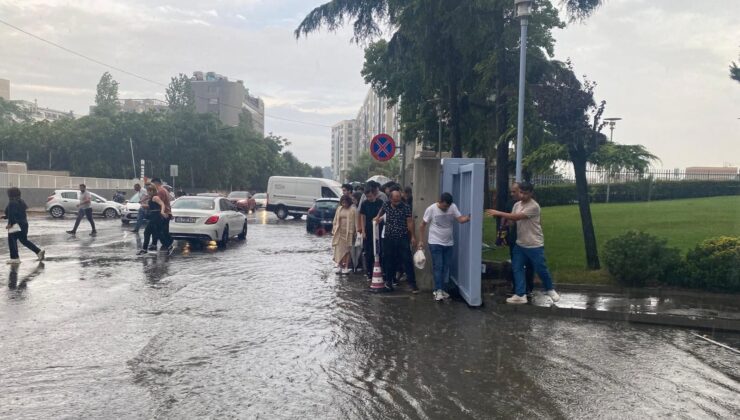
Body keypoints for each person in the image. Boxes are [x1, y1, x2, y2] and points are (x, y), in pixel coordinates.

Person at [486, 182, 560, 304]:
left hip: (534, 244)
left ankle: (550, 289)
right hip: (520, 244)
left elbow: (517, 217)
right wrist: (505, 226)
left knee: (541, 268)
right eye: (521, 192)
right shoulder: (516, 205)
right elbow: (513, 220)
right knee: (517, 267)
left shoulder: (534, 206)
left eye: (526, 193)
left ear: (531, 193)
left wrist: (499, 213)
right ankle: (520, 294)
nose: (523, 195)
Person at [418, 193, 471, 301]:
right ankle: (438, 290)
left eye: (448, 207)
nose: (446, 209)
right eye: (444, 206)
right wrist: (421, 240)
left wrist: (469, 218)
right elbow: (422, 224)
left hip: (448, 243)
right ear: (440, 201)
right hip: (435, 242)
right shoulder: (431, 209)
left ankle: (440, 289)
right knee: (439, 266)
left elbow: (460, 219)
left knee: (445, 267)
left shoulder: (453, 207)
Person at [374, 190, 418, 293]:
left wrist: (412, 236)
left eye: (398, 197)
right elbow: (381, 210)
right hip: (389, 237)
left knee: (407, 260)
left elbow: (410, 222)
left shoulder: (405, 207)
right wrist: (377, 217)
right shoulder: (386, 205)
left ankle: (412, 284)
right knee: (389, 260)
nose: (397, 200)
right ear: (391, 199)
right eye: (395, 198)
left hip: (402, 237)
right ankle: (389, 282)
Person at [505, 182, 534, 297]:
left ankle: (528, 288)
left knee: (529, 264)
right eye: (511, 191)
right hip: (515, 238)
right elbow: (509, 221)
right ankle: (516, 287)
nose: (512, 194)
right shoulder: (511, 204)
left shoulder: (530, 205)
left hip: (528, 238)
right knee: (516, 263)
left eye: (515, 191)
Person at [4, 187, 44, 264]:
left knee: (12, 240)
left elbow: (12, 214)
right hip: (24, 224)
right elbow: (18, 212)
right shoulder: (21, 201)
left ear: (10, 194)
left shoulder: (12, 202)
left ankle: (15, 258)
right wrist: (5, 217)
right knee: (24, 240)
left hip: (16, 225)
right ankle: (38, 251)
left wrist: (10, 224)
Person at [357, 186, 384, 279]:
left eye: (370, 196)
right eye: (367, 196)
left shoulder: (380, 203)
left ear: (374, 194)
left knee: (379, 250)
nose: (369, 198)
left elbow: (383, 214)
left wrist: (378, 219)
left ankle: (380, 270)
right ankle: (369, 271)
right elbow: (362, 217)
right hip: (368, 229)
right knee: (368, 252)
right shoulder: (364, 204)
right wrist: (363, 231)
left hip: (378, 229)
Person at [137, 184, 167, 255]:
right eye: (148, 190)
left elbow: (162, 204)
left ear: (153, 191)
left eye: (150, 191)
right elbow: (153, 206)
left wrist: (162, 212)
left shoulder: (155, 197)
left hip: (156, 216)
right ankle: (168, 246)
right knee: (158, 233)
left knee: (146, 232)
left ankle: (144, 249)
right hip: (154, 216)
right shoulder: (152, 198)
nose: (149, 192)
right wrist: (145, 205)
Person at [332, 195, 357, 275]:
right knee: (339, 249)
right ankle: (339, 265)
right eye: (342, 203)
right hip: (339, 232)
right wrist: (334, 228)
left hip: (348, 232)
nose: (344, 204)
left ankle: (346, 267)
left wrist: (356, 232)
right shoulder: (339, 209)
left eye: (345, 203)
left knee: (347, 250)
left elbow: (356, 221)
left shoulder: (353, 210)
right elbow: (335, 219)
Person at [151, 178, 174, 254]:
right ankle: (168, 244)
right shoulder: (164, 190)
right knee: (164, 230)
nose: (152, 186)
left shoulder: (160, 191)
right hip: (167, 212)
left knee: (160, 231)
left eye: (152, 184)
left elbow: (160, 203)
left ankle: (168, 245)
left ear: (156, 183)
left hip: (163, 213)